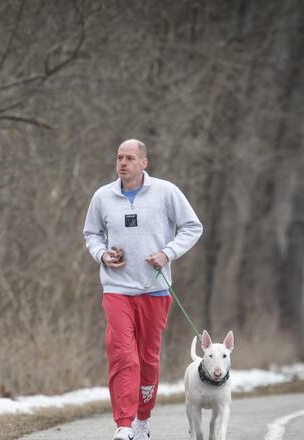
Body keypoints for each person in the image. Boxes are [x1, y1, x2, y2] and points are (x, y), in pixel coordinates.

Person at [83, 139, 203, 440]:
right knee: (124, 355)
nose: (123, 163)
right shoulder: (102, 197)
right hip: (116, 289)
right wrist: (102, 255)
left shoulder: (166, 192)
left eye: (130, 158)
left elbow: (192, 226)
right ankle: (123, 425)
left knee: (148, 357)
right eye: (119, 158)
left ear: (144, 163)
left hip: (155, 288)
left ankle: (142, 418)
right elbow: (92, 234)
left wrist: (167, 253)